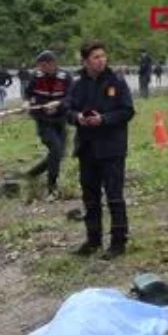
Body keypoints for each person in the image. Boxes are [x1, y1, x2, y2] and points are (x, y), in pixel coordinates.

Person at [66, 39, 135, 260]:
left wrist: (103, 119)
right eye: (96, 57)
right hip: (87, 148)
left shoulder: (116, 81)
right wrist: (77, 117)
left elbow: (127, 111)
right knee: (90, 196)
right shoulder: (78, 84)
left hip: (112, 147)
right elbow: (68, 109)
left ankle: (118, 241)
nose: (101, 60)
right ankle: (93, 239)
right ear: (85, 61)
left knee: (114, 196)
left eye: (103, 56)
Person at [22, 50, 72, 200]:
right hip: (43, 121)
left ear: (53, 64)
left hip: (60, 120)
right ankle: (52, 186)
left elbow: (72, 97)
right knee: (56, 149)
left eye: (44, 66)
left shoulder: (65, 77)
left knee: (59, 154)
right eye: (39, 66)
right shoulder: (35, 77)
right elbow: (27, 94)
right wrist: (25, 103)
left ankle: (31, 174)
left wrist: (58, 103)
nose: (41, 69)